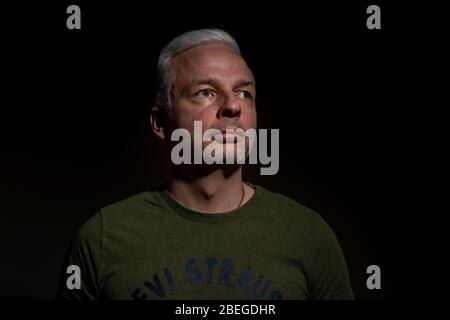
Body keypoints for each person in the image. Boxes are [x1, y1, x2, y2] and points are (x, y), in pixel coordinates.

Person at [57, 29, 354, 300]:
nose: (233, 106)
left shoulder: (307, 234)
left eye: (244, 93)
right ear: (161, 122)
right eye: (205, 92)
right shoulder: (103, 238)